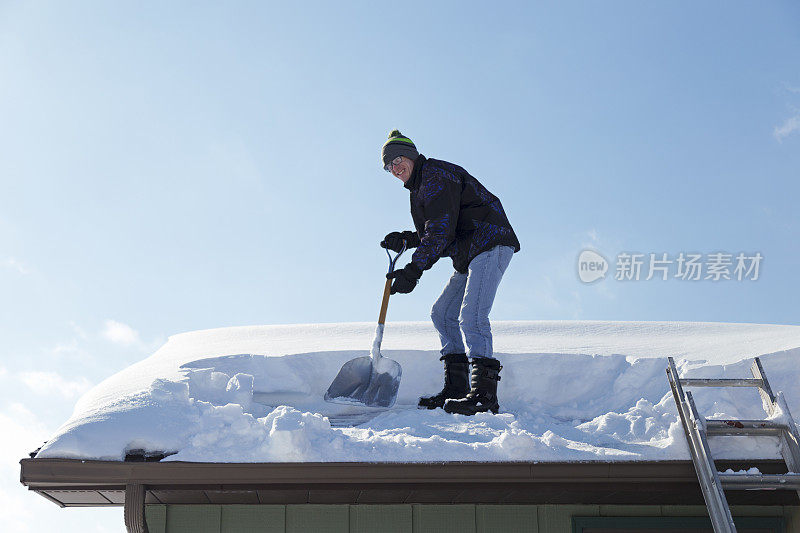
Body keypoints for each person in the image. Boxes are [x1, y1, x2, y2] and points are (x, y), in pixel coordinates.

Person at [379, 130, 520, 415]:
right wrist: (407, 239)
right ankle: (457, 387)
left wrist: (414, 270)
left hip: (489, 243)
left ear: (412, 155)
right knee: (442, 313)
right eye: (388, 166)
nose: (394, 169)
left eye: (397, 160)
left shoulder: (435, 175)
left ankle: (484, 396)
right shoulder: (420, 185)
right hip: (468, 252)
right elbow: (437, 230)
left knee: (472, 315)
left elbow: (441, 231)